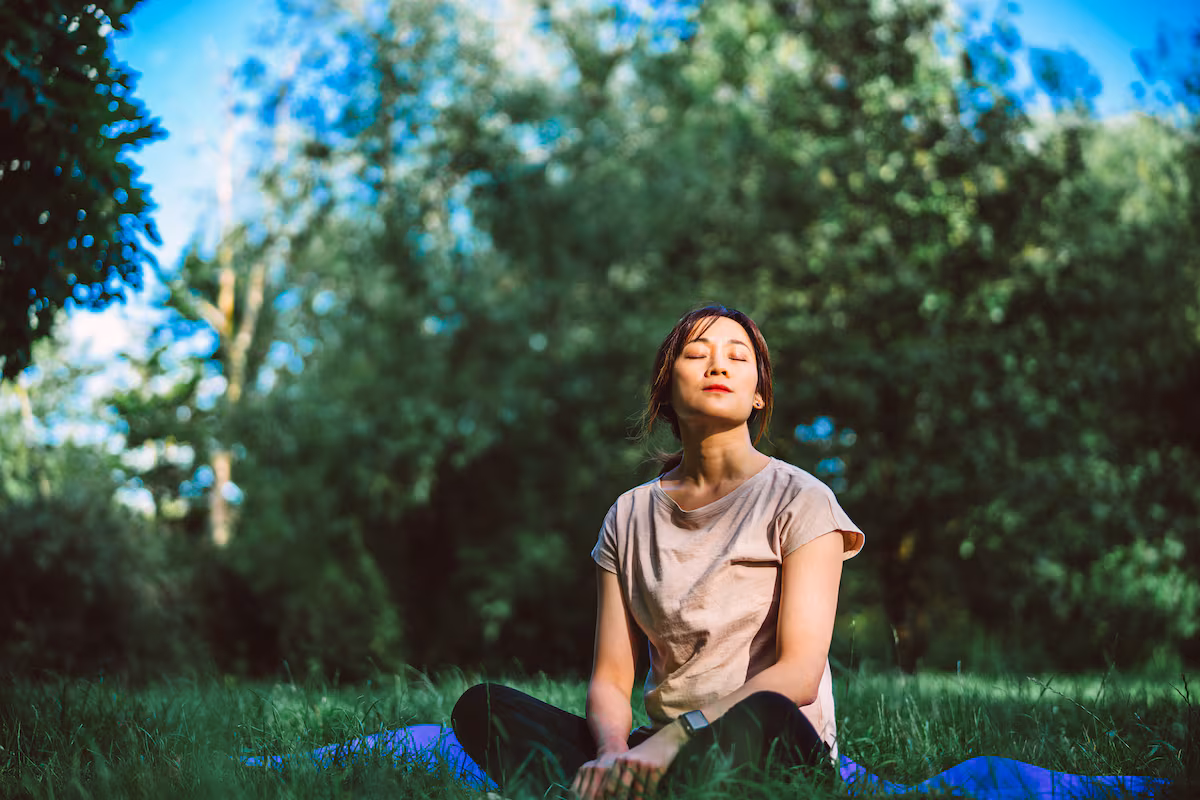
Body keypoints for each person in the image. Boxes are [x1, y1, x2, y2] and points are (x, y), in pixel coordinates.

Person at [451, 304, 865, 799]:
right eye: (697, 354)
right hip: (654, 752)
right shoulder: (627, 517)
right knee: (486, 707)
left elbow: (799, 675)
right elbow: (610, 677)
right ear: (666, 388)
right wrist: (611, 754)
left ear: (758, 395)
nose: (718, 366)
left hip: (767, 746)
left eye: (738, 357)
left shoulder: (802, 499)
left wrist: (676, 739)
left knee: (767, 712)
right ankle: (621, 786)